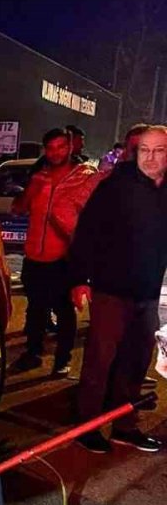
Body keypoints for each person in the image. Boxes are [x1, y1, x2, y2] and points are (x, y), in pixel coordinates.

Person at [69, 124, 167, 453]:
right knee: (100, 360)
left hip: (148, 293)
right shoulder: (115, 187)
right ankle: (88, 426)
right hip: (112, 290)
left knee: (136, 362)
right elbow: (87, 233)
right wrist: (80, 279)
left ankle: (125, 426)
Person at [10, 127, 100, 376]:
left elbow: (94, 219)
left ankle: (63, 359)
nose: (55, 152)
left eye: (61, 147)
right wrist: (32, 188)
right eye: (50, 148)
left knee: (64, 309)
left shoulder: (85, 177)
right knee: (36, 308)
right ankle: (33, 352)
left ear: (71, 147)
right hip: (34, 256)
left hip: (64, 256)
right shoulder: (39, 175)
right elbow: (18, 209)